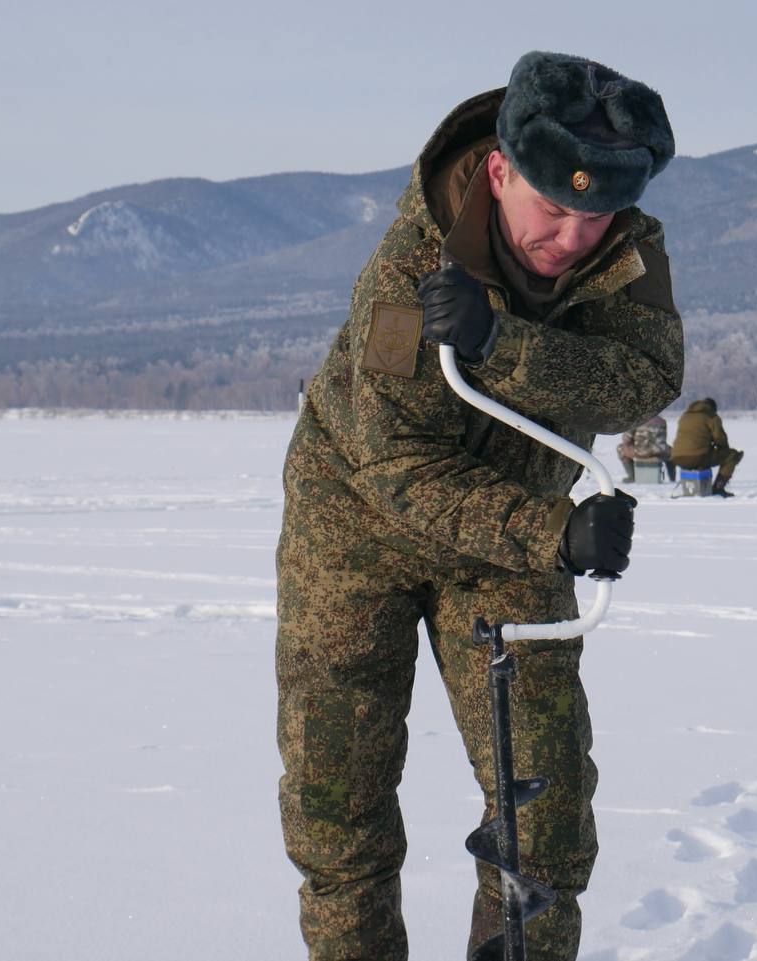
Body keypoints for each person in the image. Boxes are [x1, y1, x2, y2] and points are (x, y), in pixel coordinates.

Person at [274, 51, 681, 961]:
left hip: (504, 550)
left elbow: (643, 377)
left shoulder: (628, 251)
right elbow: (400, 465)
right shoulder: (415, 265)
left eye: (595, 212)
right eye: (553, 206)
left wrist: (504, 344)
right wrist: (553, 533)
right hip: (354, 536)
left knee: (546, 816)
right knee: (340, 811)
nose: (574, 236)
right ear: (499, 169)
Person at [671, 397, 743, 497]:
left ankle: (693, 487)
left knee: (701, 456)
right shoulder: (711, 416)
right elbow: (720, 439)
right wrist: (723, 450)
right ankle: (718, 488)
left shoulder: (685, 416)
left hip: (677, 457)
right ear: (713, 408)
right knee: (732, 455)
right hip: (697, 457)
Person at [617, 415, 674, 482]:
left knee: (620, 448)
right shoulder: (662, 421)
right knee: (672, 452)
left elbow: (626, 439)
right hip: (660, 451)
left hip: (640, 452)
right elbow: (664, 438)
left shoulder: (636, 421)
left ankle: (632, 476)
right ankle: (672, 478)